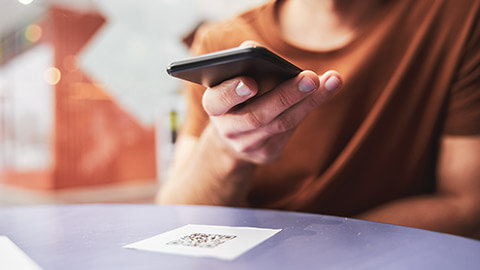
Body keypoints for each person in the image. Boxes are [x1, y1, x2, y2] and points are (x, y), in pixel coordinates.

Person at [157, 0, 480, 238]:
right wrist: (227, 152)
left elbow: (468, 208)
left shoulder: (461, 20)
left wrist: (316, 246)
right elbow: (175, 216)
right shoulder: (221, 41)